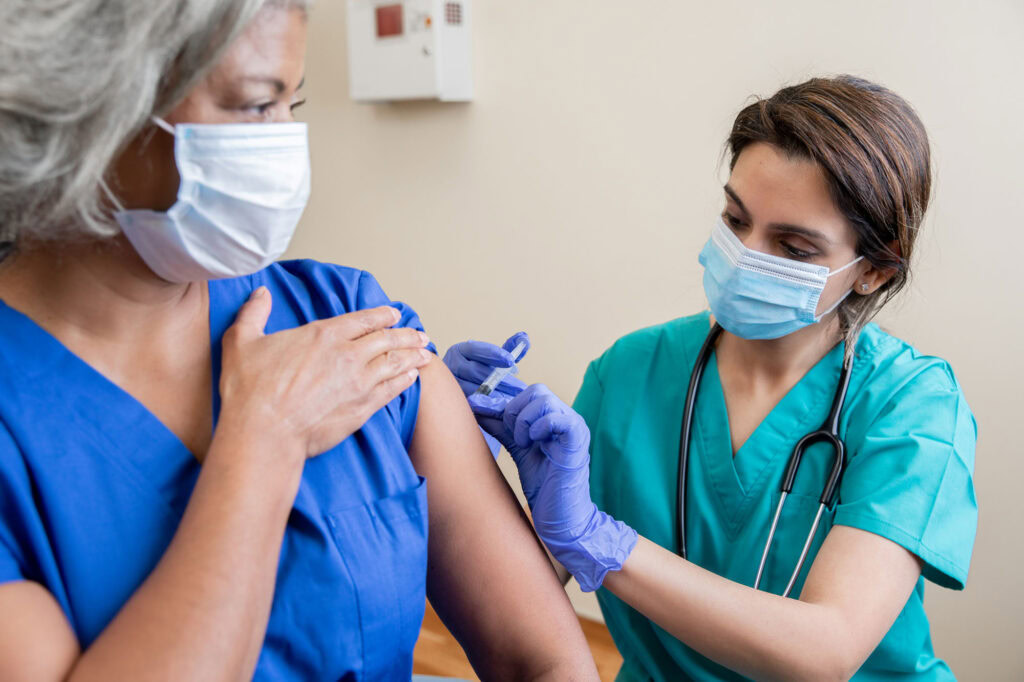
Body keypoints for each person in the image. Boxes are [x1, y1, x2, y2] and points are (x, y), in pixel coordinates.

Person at [0, 1, 599, 679]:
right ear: (89, 103)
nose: (285, 143)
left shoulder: (342, 316)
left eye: (295, 102)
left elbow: (545, 662)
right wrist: (262, 444)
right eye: (257, 107)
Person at [445, 76, 977, 681]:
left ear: (873, 273)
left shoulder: (913, 406)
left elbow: (825, 651)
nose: (746, 253)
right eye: (735, 217)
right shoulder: (630, 372)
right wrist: (449, 449)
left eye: (794, 248)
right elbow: (515, 603)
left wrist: (601, 540)